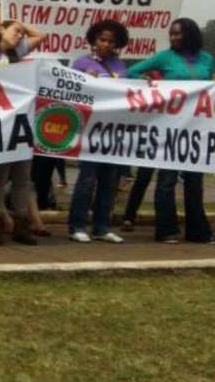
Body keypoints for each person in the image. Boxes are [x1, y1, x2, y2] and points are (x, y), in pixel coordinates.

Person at [127, 18, 214, 244]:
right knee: (167, 180)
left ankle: (198, 231)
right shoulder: (165, 57)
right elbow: (132, 72)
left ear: (191, 34)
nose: (173, 38)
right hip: (169, 127)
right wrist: (146, 81)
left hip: (196, 130)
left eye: (178, 34)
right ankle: (166, 229)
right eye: (171, 34)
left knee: (195, 182)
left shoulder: (207, 59)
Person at [0, 19, 47, 245]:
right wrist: (8, 23)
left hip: (22, 120)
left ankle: (21, 224)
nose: (20, 36)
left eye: (22, 34)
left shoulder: (18, 51)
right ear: (1, 30)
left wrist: (20, 24)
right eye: (16, 32)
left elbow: (40, 35)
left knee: (22, 177)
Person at [67, 19, 129, 243]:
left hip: (112, 131)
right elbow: (70, 91)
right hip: (89, 129)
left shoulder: (121, 67)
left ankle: (102, 227)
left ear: (117, 44)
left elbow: (128, 93)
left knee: (109, 181)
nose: (106, 44)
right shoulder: (81, 64)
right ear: (93, 40)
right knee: (86, 179)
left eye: (111, 41)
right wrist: (85, 81)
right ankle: (77, 225)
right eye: (102, 39)